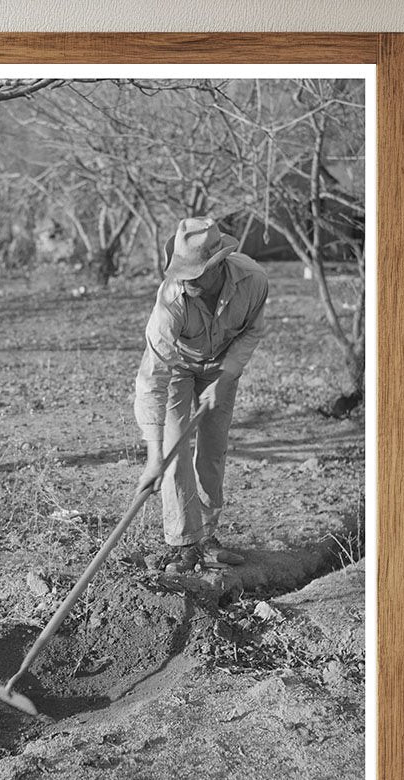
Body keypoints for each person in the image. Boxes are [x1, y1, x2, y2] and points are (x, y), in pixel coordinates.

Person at [134, 217, 269, 573]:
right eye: (182, 272)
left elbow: (252, 333)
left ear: (218, 264)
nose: (187, 280)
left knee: (212, 450)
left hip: (222, 366)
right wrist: (153, 454)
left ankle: (207, 538)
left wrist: (224, 378)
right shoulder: (171, 300)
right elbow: (153, 375)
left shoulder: (253, 281)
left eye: (195, 273)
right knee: (173, 450)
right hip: (179, 366)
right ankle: (184, 544)